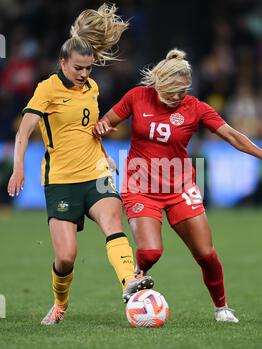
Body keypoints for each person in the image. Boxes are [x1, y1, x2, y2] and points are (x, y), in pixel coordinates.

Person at [93, 49, 262, 323]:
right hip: (140, 186)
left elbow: (230, 134)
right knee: (151, 252)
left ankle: (222, 308)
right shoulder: (136, 97)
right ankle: (137, 275)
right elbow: (104, 123)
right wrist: (102, 132)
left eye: (183, 91)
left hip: (180, 187)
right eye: (174, 91)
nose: (179, 97)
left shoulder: (195, 107)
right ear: (159, 84)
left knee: (206, 253)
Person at [7, 3, 154, 326]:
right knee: (66, 256)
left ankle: (129, 282)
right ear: (63, 63)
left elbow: (87, 129)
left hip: (96, 173)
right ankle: (60, 304)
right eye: (78, 68)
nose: (84, 74)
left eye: (88, 68)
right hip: (60, 180)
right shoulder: (47, 89)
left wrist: (102, 145)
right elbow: (24, 132)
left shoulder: (93, 88)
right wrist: (18, 169)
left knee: (114, 224)